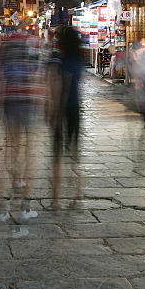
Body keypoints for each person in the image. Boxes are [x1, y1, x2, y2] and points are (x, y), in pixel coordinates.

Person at [0, 30, 47, 222]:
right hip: (29, 102)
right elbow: (38, 76)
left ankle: (4, 205)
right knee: (30, 153)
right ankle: (25, 205)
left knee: (10, 149)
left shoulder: (6, 48)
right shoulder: (33, 48)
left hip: (9, 101)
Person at [49, 25, 84, 210]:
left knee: (57, 156)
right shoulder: (78, 60)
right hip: (75, 108)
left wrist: (56, 112)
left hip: (62, 109)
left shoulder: (61, 60)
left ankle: (56, 199)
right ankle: (76, 194)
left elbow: (61, 86)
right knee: (73, 153)